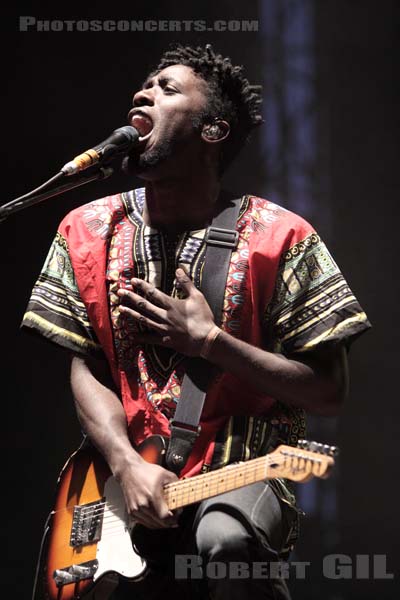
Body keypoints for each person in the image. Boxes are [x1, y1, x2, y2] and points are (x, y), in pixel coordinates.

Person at [22, 44, 370, 600]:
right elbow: (86, 363)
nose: (143, 93)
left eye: (167, 88)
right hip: (124, 483)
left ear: (212, 131)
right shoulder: (84, 228)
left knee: (224, 540)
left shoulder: (284, 238)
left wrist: (212, 342)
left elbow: (328, 391)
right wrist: (125, 463)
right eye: (143, 85)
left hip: (246, 470)